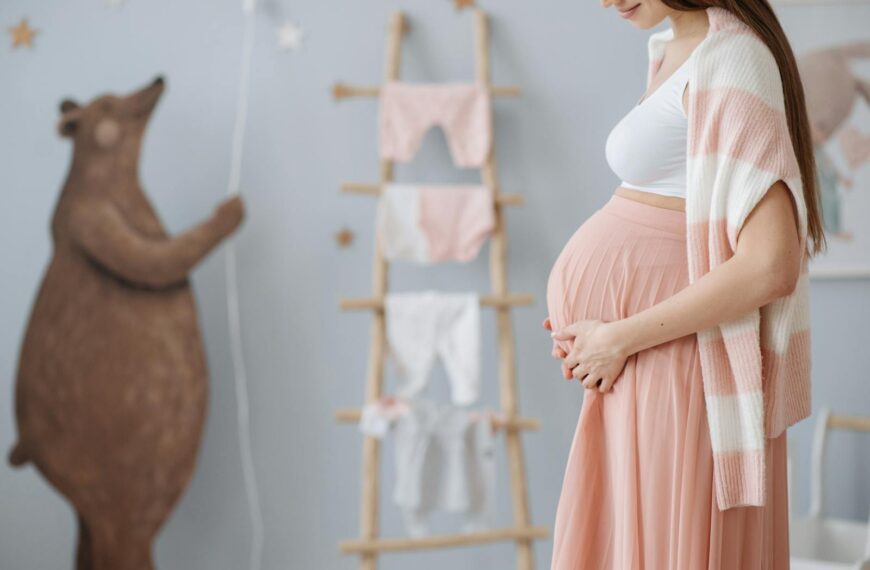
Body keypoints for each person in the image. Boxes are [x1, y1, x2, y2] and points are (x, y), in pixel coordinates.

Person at [544, 1, 827, 569]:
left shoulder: (735, 58)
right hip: (643, 362)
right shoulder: (673, 50)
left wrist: (619, 336)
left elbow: (772, 263)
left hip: (677, 361)